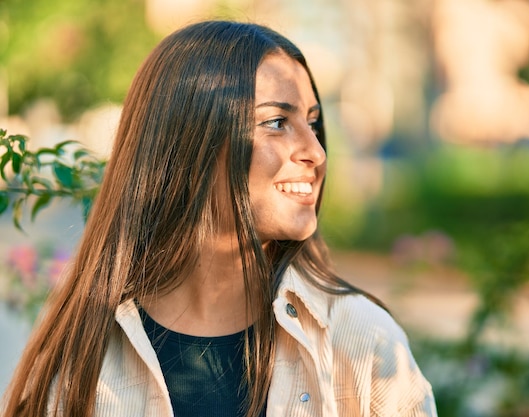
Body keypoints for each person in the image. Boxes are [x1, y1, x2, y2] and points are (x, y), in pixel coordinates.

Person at [1, 20, 437, 417]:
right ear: (191, 142)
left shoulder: (362, 343)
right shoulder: (82, 355)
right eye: (277, 122)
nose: (316, 153)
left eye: (312, 122)